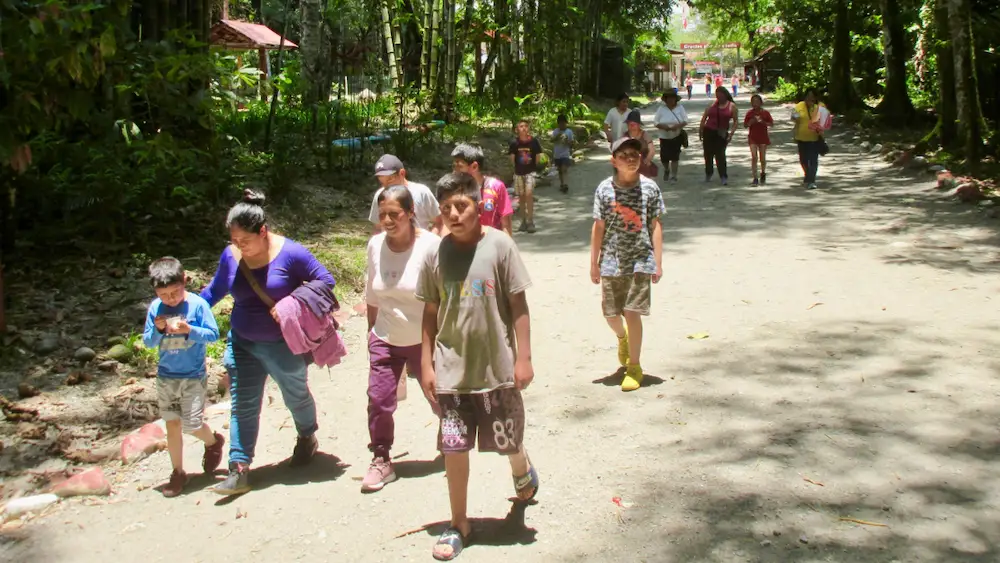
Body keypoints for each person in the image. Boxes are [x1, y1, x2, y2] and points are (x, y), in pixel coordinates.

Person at [416, 172, 537, 561]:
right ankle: (459, 523)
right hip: (451, 370)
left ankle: (520, 464)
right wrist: (426, 364)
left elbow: (518, 305)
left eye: (461, 205)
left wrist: (523, 357)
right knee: (454, 447)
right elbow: (430, 313)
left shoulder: (500, 246)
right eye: (446, 208)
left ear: (479, 205)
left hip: (496, 367)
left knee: (507, 439)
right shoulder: (434, 254)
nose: (453, 214)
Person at [201, 190, 336, 496]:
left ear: (263, 232)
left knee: (296, 396)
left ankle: (307, 436)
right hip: (243, 341)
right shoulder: (231, 255)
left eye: (244, 240)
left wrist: (291, 303)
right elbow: (214, 291)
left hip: (283, 344)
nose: (239, 246)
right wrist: (186, 309)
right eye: (234, 240)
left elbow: (326, 281)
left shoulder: (291, 253)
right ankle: (238, 468)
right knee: (243, 403)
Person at [363, 186, 442, 493]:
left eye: (394, 214)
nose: (387, 221)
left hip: (427, 338)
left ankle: (451, 433)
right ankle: (381, 458)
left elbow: (447, 295)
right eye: (382, 214)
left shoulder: (431, 246)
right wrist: (371, 333)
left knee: (439, 397)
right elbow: (372, 294)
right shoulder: (375, 245)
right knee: (379, 400)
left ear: (411, 213)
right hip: (386, 336)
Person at [143, 257, 225, 498]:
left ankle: (213, 442)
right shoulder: (155, 308)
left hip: (192, 375)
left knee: (192, 424)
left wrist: (190, 330)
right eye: (163, 295)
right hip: (166, 377)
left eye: (174, 292)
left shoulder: (198, 305)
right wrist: (159, 330)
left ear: (184, 281)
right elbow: (148, 342)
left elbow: (213, 334)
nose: (170, 299)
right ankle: (178, 472)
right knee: (172, 424)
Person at [590, 138, 665, 392]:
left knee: (633, 312)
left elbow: (655, 224)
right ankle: (622, 337)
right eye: (624, 155)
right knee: (611, 314)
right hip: (611, 260)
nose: (631, 159)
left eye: (635, 154)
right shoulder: (604, 189)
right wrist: (593, 263)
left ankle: (634, 367)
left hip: (640, 260)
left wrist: (657, 261)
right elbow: (598, 226)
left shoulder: (650, 188)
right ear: (614, 161)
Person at [369, 154, 442, 234]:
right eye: (382, 182)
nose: (386, 186)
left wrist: (429, 239)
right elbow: (378, 228)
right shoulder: (380, 195)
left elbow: (439, 222)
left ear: (402, 173)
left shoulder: (421, 192)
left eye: (390, 179)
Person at [452, 143, 514, 237]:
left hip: (492, 241)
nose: (454, 171)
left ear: (474, 166)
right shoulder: (454, 189)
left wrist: (508, 245)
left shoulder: (496, 187)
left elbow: (506, 224)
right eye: (454, 166)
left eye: (459, 166)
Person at [508, 119, 543, 233]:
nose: (524, 128)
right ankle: (523, 221)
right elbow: (512, 158)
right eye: (521, 126)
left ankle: (530, 221)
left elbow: (537, 156)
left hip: (530, 172)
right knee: (521, 197)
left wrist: (533, 167)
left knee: (529, 194)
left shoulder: (534, 141)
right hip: (518, 173)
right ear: (516, 129)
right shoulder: (514, 143)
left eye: (526, 126)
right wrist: (516, 169)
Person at [698, 86, 739, 185]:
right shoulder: (712, 104)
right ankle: (708, 173)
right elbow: (704, 117)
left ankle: (723, 176)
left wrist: (731, 134)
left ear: (725, 95)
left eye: (720, 95)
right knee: (708, 154)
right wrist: (701, 130)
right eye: (717, 95)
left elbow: (735, 121)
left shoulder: (731, 106)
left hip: (721, 132)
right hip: (709, 130)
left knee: (720, 154)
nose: (719, 97)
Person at [791, 89, 828, 189]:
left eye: (812, 96)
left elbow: (824, 121)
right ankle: (808, 176)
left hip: (814, 138)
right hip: (801, 138)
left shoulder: (819, 107)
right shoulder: (800, 106)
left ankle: (811, 180)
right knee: (803, 160)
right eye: (808, 96)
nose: (809, 98)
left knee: (813, 160)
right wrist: (795, 117)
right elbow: (793, 117)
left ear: (815, 98)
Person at [653, 90, 688, 183]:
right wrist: (664, 127)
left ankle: (674, 175)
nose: (670, 100)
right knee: (664, 157)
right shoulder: (661, 108)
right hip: (664, 136)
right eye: (668, 98)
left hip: (676, 135)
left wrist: (677, 126)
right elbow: (655, 122)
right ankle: (666, 169)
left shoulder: (680, 108)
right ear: (665, 99)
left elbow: (685, 120)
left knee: (675, 156)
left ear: (675, 99)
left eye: (672, 98)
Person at [744, 94, 774, 186]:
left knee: (762, 158)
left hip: (763, 137)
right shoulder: (749, 113)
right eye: (753, 102)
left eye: (757, 102)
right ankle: (755, 177)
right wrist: (750, 122)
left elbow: (771, 124)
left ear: (761, 103)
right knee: (754, 157)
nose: (755, 104)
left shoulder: (765, 113)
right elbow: (745, 125)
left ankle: (763, 172)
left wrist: (763, 122)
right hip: (752, 137)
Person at [622, 110, 657, 179]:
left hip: (643, 164)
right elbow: (620, 150)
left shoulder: (645, 134)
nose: (631, 126)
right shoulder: (625, 136)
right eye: (629, 124)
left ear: (638, 125)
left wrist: (647, 160)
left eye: (633, 124)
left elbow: (652, 150)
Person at [550, 114, 575, 193]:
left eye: (563, 123)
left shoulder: (569, 132)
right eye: (560, 123)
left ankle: (565, 184)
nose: (562, 125)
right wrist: (557, 137)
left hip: (565, 154)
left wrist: (567, 141)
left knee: (564, 169)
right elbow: (551, 140)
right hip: (557, 155)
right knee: (560, 170)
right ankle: (562, 184)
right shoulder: (556, 131)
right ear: (558, 124)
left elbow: (572, 144)